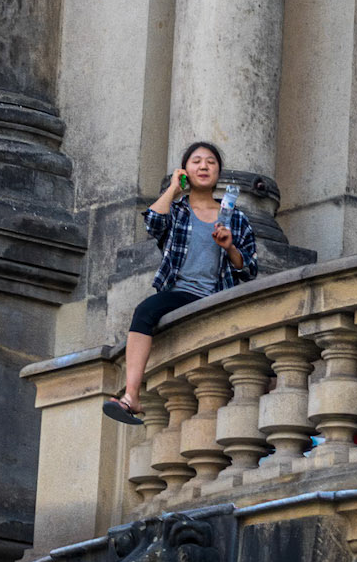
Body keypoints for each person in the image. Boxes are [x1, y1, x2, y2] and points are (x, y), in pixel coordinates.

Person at [104, 140, 259, 425]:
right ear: (185, 170)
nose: (204, 166)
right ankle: (131, 396)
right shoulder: (177, 211)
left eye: (211, 162)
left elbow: (250, 269)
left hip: (218, 296)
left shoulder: (235, 218)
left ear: (218, 172)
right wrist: (174, 188)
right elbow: (152, 223)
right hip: (182, 293)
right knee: (145, 312)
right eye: (196, 161)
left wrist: (230, 248)